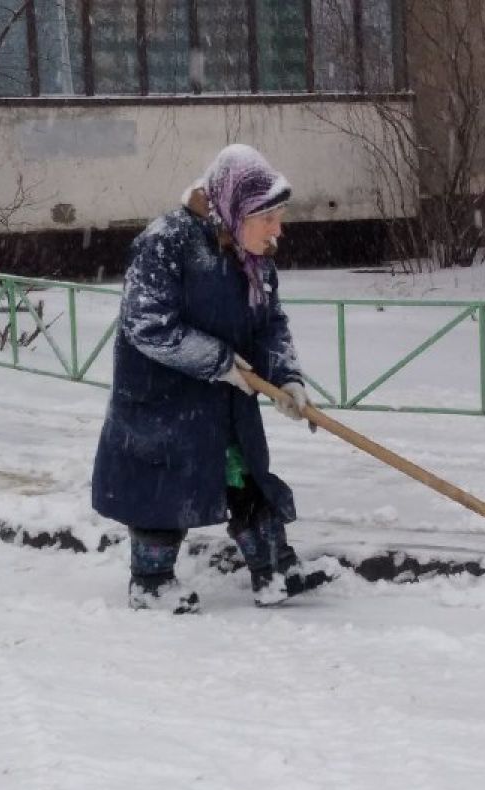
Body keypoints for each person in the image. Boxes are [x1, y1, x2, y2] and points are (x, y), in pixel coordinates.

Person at [91, 144, 315, 613]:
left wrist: (287, 377)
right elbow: (147, 323)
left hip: (225, 397)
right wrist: (218, 361)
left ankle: (275, 570)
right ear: (239, 210)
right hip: (164, 399)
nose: (279, 229)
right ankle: (151, 584)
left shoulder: (254, 257)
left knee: (247, 478)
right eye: (269, 217)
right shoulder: (168, 241)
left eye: (279, 215)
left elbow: (270, 323)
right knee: (161, 494)